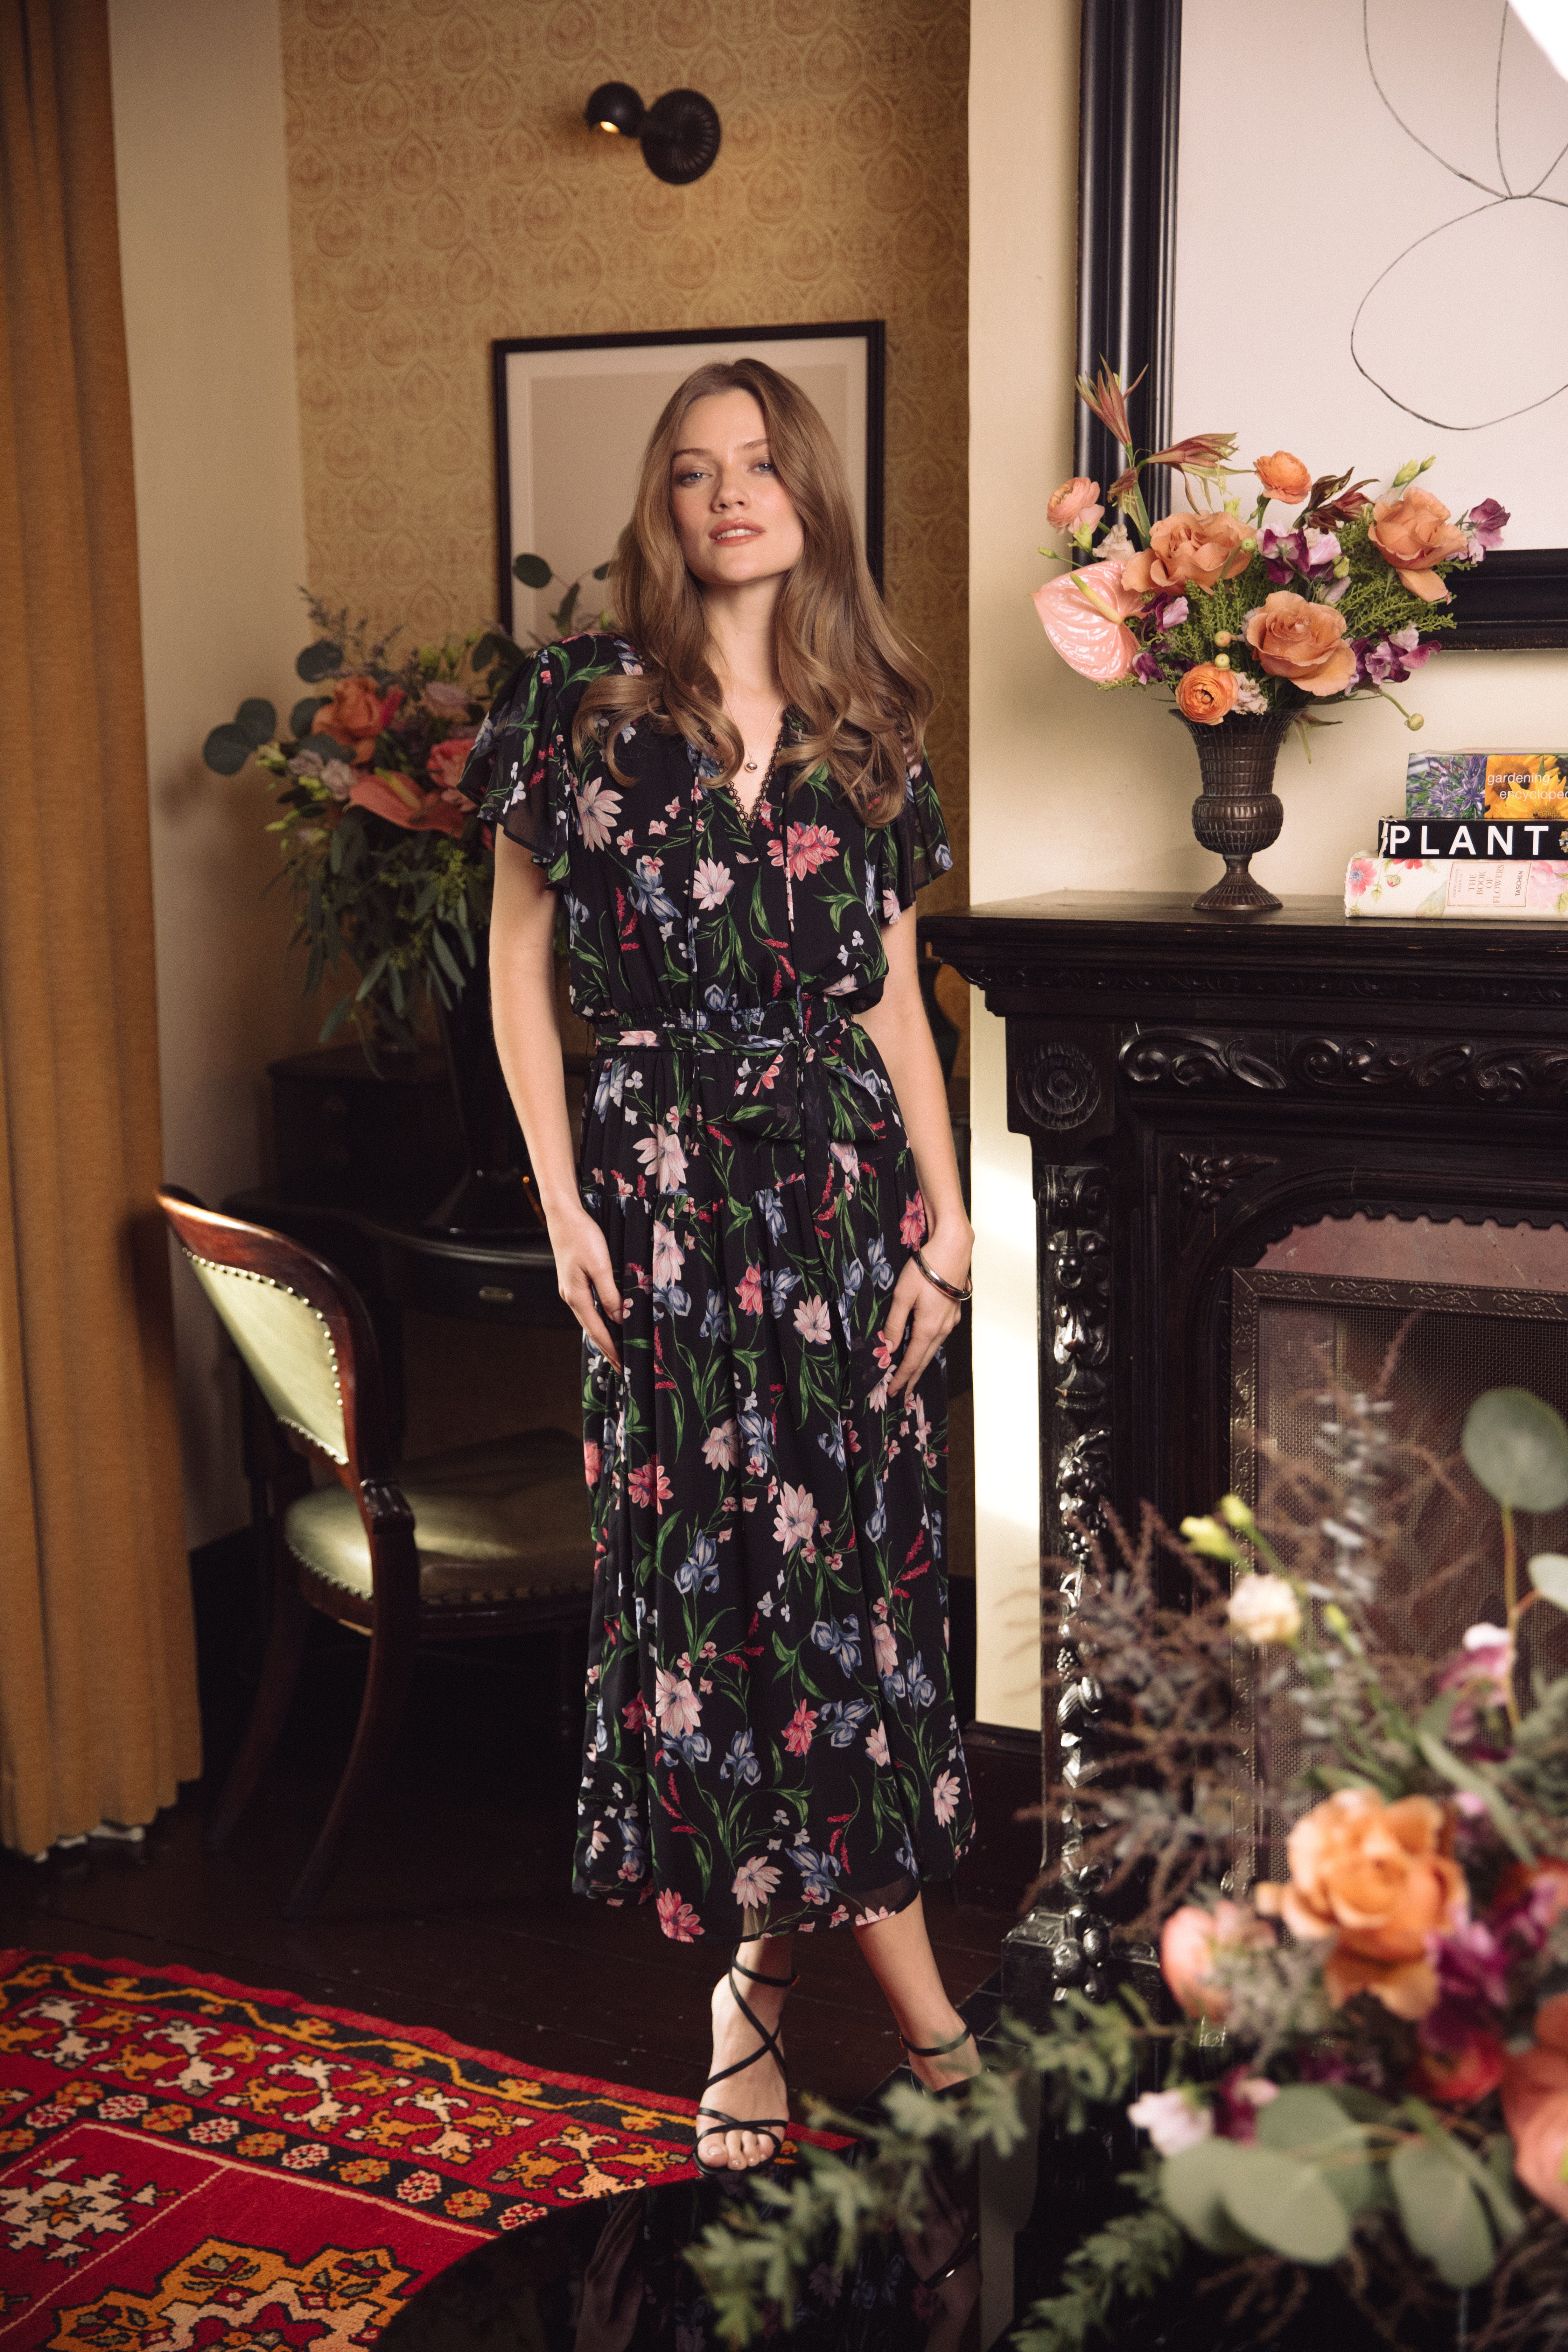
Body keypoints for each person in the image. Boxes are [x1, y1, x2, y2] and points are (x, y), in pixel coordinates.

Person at [465, 358, 979, 2179]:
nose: (730, 494)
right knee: (717, 1602)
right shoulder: (580, 711)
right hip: (663, 1201)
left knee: (841, 1597)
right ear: (663, 507)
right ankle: (927, 2036)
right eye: (694, 471)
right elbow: (517, 965)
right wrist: (561, 1203)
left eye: (760, 464)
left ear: (809, 495)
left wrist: (952, 1219)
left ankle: (760, 2000)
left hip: (843, 1206)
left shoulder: (872, 727)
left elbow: (895, 1000)